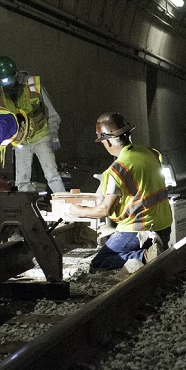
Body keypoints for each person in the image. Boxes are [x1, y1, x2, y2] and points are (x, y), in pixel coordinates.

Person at [68, 112, 173, 272]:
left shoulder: (117, 170)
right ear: (128, 134)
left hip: (139, 231)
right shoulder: (151, 153)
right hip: (164, 228)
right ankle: (153, 250)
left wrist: (78, 211)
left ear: (108, 142)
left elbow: (105, 210)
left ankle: (143, 256)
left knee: (100, 262)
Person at [0, 56, 65, 194]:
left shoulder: (33, 86)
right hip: (21, 142)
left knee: (52, 174)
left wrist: (54, 133)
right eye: (3, 83)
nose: (7, 86)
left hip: (41, 136)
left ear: (16, 74)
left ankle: (64, 205)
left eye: (9, 81)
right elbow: (3, 122)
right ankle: (24, 209)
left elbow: (51, 112)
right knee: (21, 181)